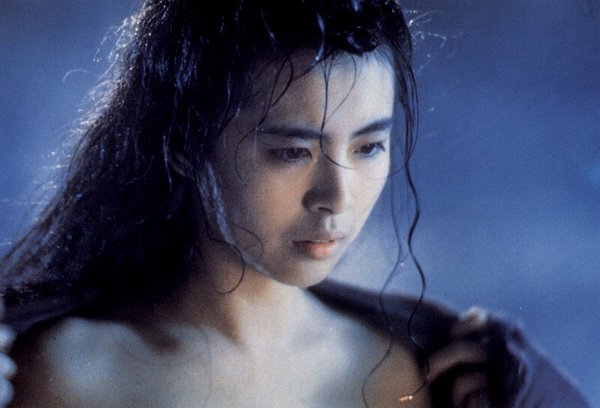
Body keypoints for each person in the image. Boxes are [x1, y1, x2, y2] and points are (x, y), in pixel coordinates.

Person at [0, 0, 589, 406]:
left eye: (368, 147)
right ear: (183, 144)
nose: (336, 197)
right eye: (291, 152)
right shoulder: (70, 373)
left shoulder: (421, 373)